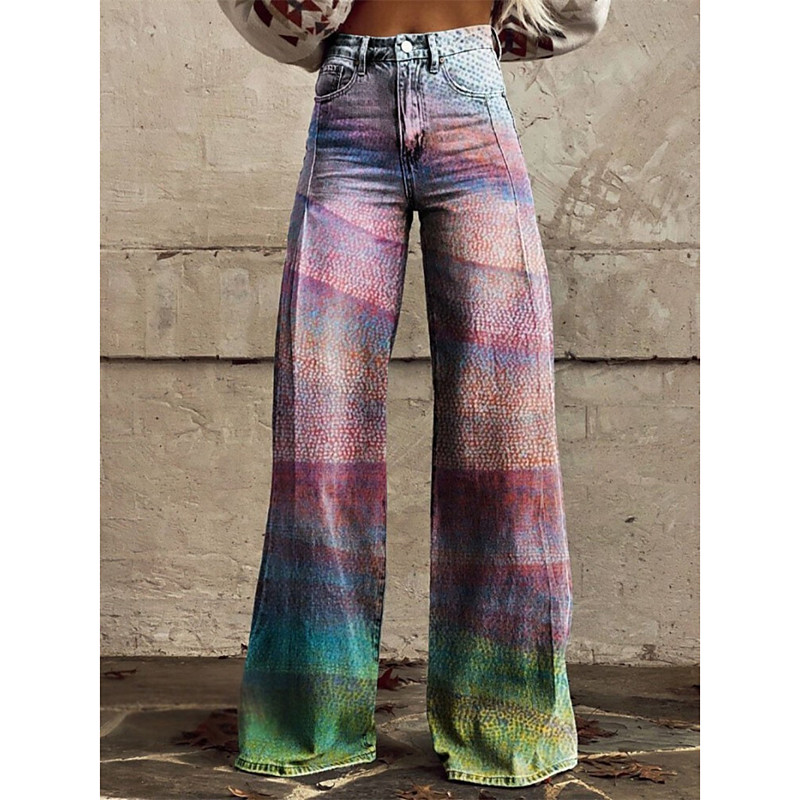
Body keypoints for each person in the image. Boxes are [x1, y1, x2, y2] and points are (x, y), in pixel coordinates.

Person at [216, 0, 610, 789]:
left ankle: (507, 722)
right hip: (349, 106)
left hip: (469, 98)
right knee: (320, 434)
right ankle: (309, 721)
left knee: (504, 437)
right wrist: (313, 24)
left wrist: (480, 39)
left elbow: (579, 8)